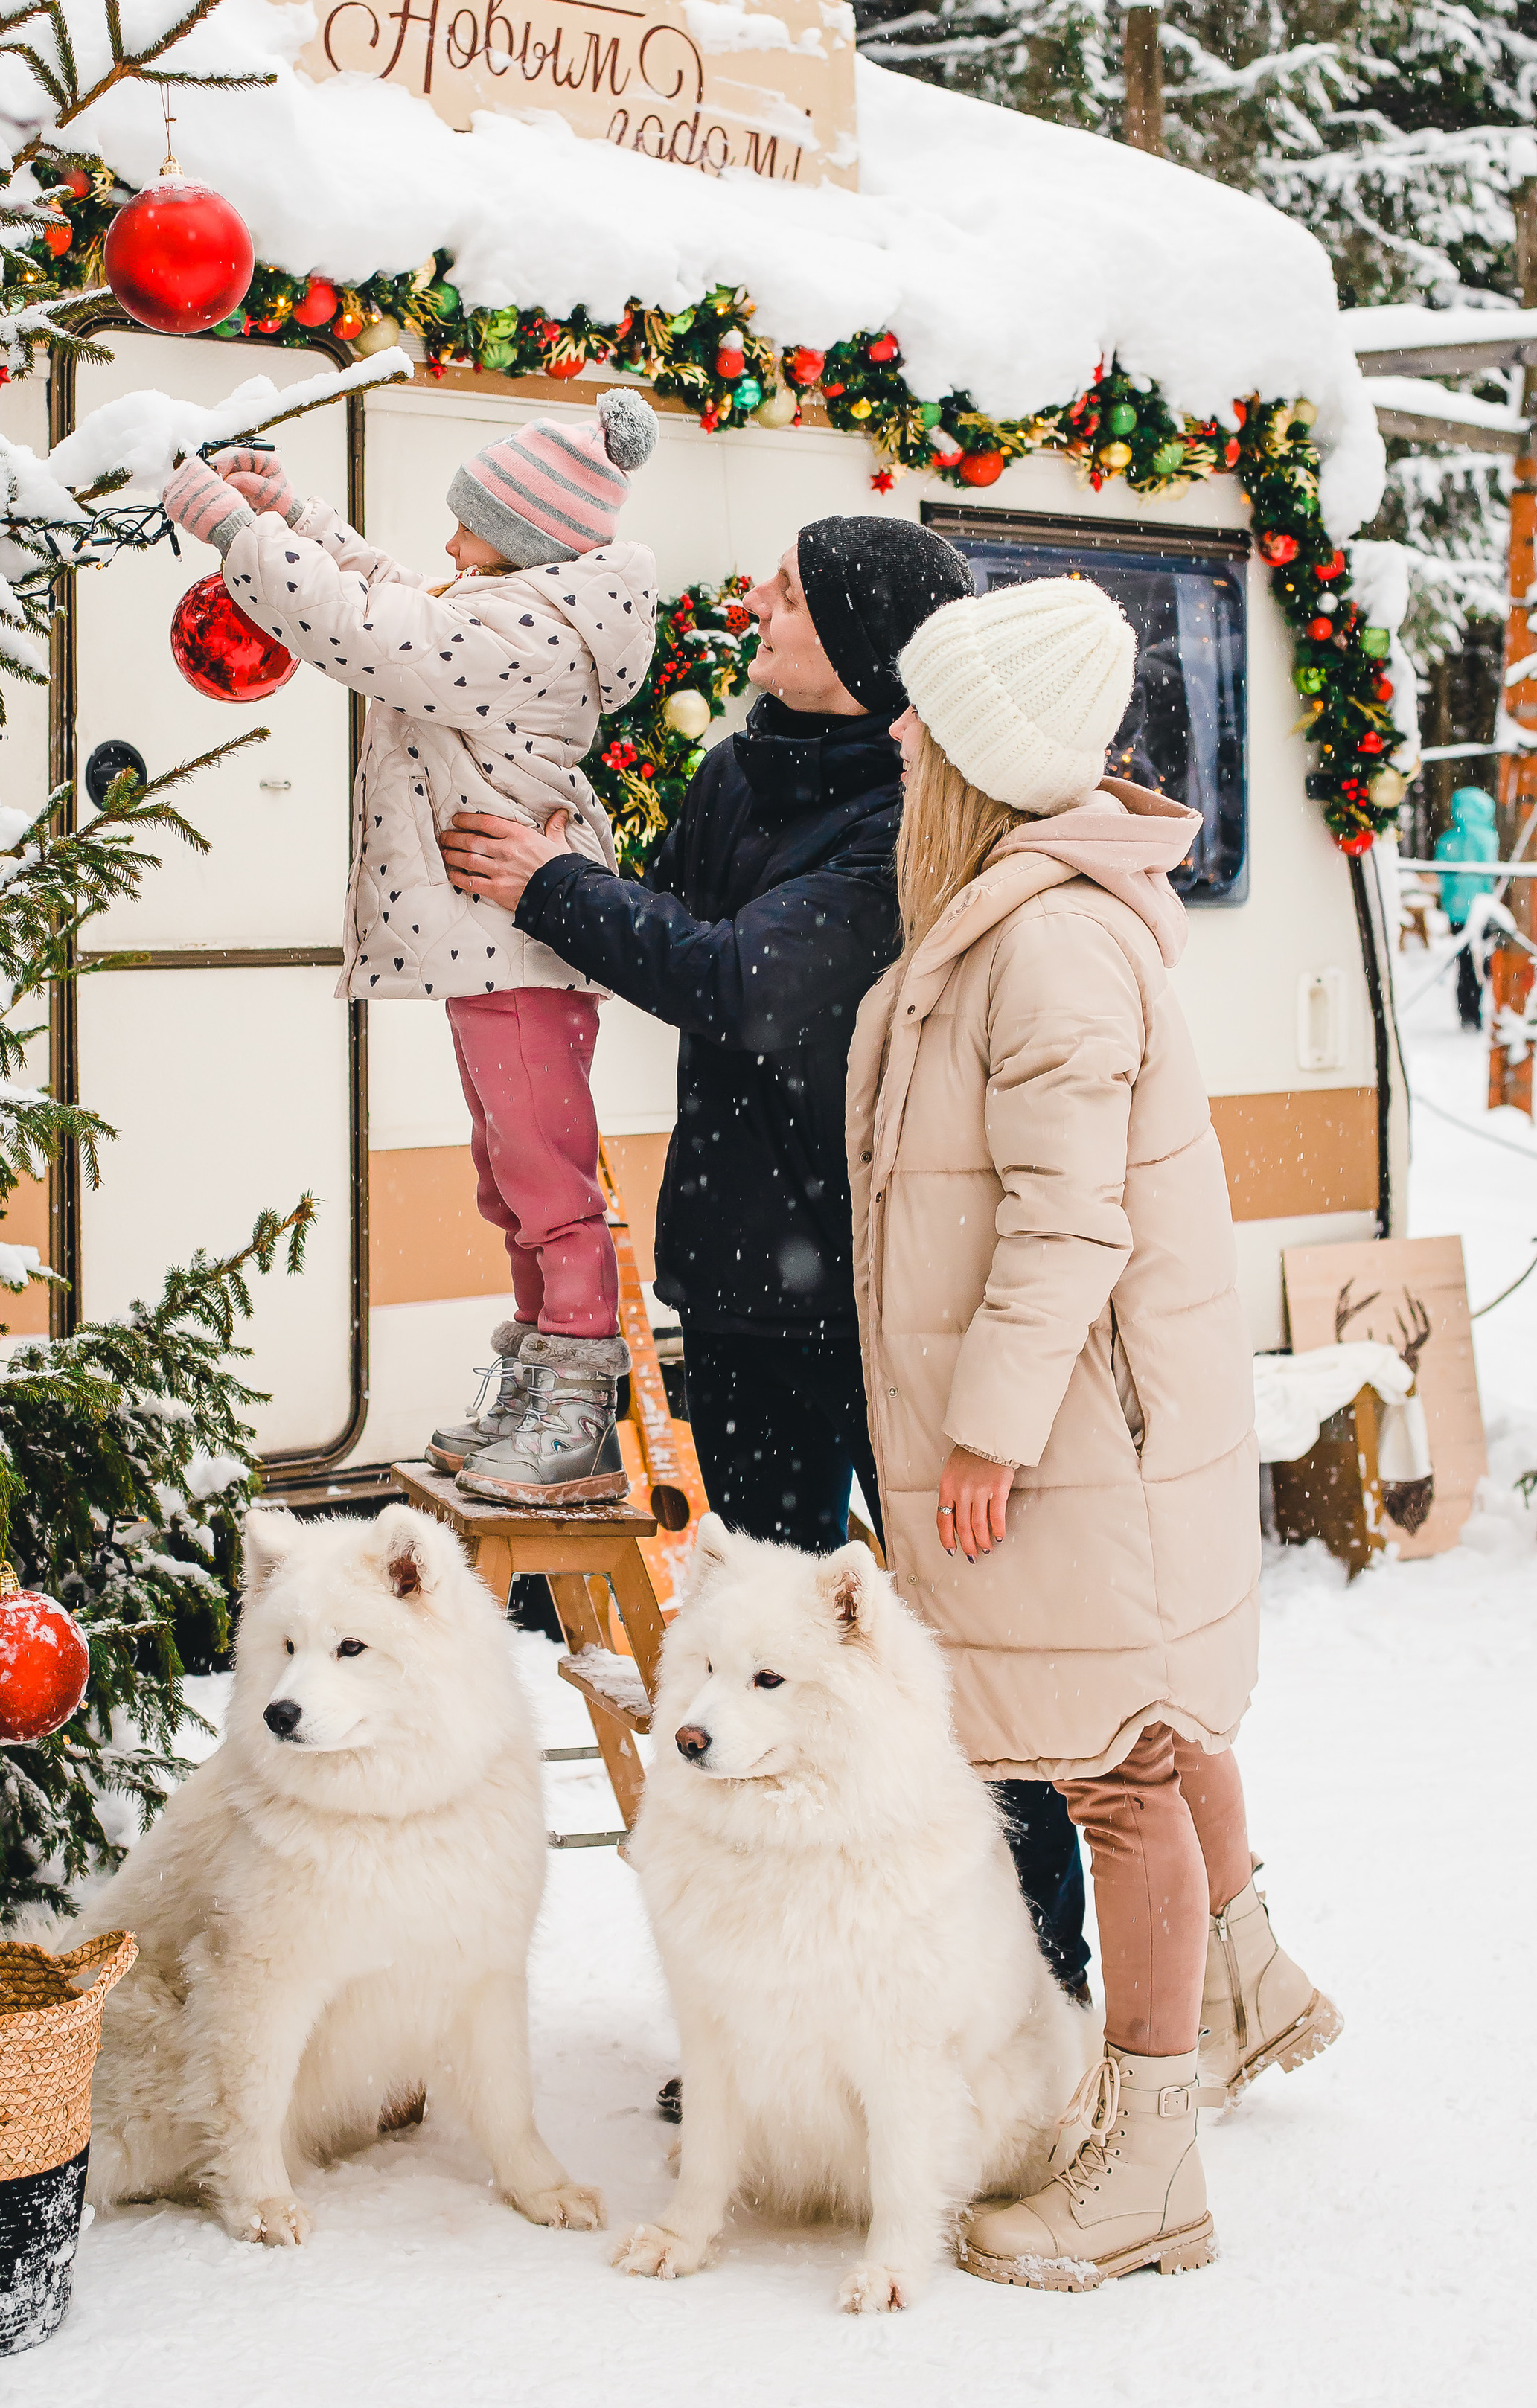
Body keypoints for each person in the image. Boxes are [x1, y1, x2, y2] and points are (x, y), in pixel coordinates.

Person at [440, 515, 1089, 2002]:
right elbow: (663, 930)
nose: (749, 598)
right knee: (757, 1667)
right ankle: (783, 2001)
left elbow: (740, 983)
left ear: (860, 648)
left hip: (883, 1302)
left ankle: (1035, 1988)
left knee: (958, 1657)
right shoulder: (739, 774)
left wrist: (547, 885)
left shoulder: (908, 812)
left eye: (783, 590)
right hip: (737, 1292)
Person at [849, 575, 1341, 2292]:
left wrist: (979, 1433)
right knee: (1157, 1713)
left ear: (982, 745)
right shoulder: (1029, 908)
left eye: (920, 710)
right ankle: (1242, 1986)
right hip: (1108, 1423)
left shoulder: (1044, 936)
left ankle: (1144, 2176)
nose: (894, 731)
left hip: (1073, 1433)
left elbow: (1061, 1227)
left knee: (1110, 1768)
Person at [161, 391, 658, 1504]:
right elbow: (397, 593)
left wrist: (241, 538)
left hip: (519, 951)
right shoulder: (514, 605)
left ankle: (574, 1404)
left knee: (547, 1178)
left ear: (529, 538)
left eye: (471, 521)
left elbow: (376, 635)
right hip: (493, 948)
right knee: (510, 1173)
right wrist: (296, 514)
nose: (448, 540)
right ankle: (538, 1382)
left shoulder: (527, 633)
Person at [1435, 782, 1498, 1029]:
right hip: (1482, 911)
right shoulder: (1487, 838)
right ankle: (1480, 1012)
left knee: (1466, 964)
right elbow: (1489, 877)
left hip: (1457, 913)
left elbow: (1444, 878)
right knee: (1483, 963)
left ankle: (1468, 1014)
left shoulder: (1447, 840)